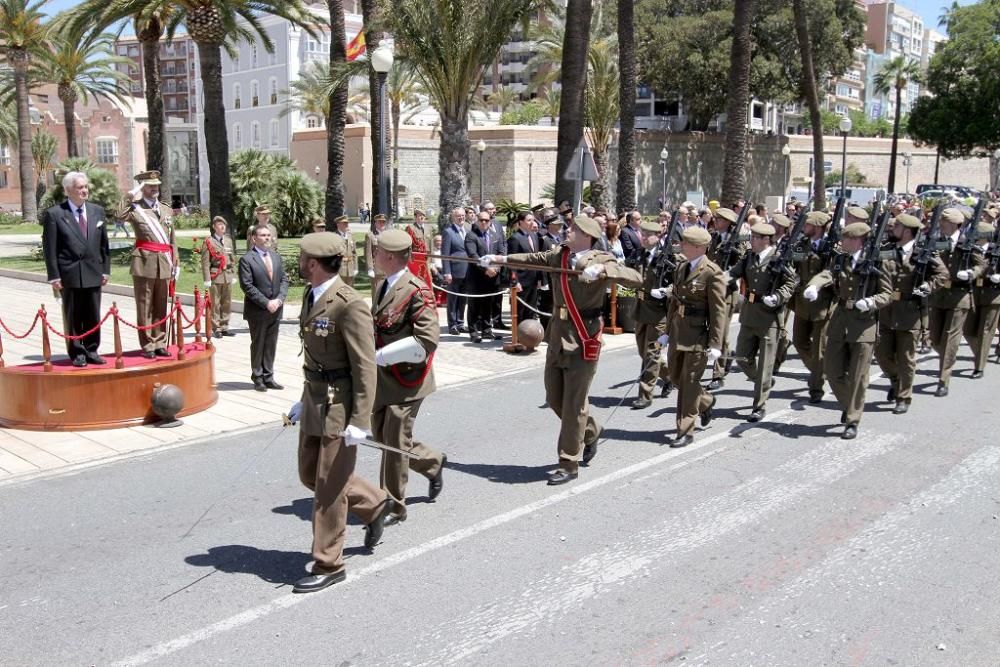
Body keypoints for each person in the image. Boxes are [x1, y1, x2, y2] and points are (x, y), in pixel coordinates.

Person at [483, 215, 642, 485]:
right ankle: (590, 431)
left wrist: (604, 272)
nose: (568, 230)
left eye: (574, 228)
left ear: (587, 235)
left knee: (573, 404)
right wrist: (499, 260)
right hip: (558, 334)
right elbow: (532, 258)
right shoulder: (560, 254)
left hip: (583, 336)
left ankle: (568, 462)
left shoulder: (601, 258)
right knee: (555, 398)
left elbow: (636, 278)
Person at [290, 231, 391, 594]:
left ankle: (329, 562)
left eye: (302, 259)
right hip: (315, 399)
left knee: (329, 490)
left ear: (313, 264)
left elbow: (365, 367)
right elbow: (315, 358)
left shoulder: (349, 304)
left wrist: (361, 421)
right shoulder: (311, 294)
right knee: (309, 474)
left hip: (339, 407)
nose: (300, 263)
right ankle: (375, 503)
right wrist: (303, 399)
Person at [371, 228, 446, 525]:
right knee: (383, 436)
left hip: (407, 379)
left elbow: (427, 340)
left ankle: (392, 504)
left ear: (389, 256)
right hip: (384, 377)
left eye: (377, 251)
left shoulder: (417, 290)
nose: (374, 255)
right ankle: (432, 462)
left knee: (393, 442)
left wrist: (381, 356)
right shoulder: (383, 285)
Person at [803, 222, 893, 439]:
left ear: (857, 241)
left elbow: (887, 294)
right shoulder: (841, 259)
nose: (841, 242)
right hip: (840, 319)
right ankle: (848, 404)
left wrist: (871, 302)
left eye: (845, 239)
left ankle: (852, 419)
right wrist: (814, 285)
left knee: (857, 375)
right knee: (832, 370)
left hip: (864, 324)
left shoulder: (879, 262)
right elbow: (828, 274)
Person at [875, 213, 948, 414]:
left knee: (906, 358)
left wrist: (925, 288)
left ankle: (903, 397)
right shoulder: (886, 249)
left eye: (896, 226)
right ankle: (897, 380)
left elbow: (942, 275)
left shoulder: (923, 252)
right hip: (887, 311)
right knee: (881, 353)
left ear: (907, 231)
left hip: (910, 313)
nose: (892, 229)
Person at [729, 222, 799, 422]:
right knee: (742, 356)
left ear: (766, 240)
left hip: (770, 318)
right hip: (750, 314)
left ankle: (759, 406)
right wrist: (723, 278)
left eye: (756, 237)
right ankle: (764, 381)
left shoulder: (779, 258)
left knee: (765, 364)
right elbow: (734, 272)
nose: (752, 240)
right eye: (752, 236)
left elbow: (792, 282)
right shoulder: (749, 257)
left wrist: (778, 296)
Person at [664, 226, 727, 447]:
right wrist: (666, 332)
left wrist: (716, 344)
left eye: (687, 243)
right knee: (674, 377)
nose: (682, 246)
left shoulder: (712, 272)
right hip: (678, 332)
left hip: (698, 335)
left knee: (689, 383)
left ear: (699, 247)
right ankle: (706, 402)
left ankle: (685, 431)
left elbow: (719, 311)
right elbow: (675, 300)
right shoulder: (681, 266)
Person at [42, 171, 111, 367]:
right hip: (69, 273)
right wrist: (54, 276)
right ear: (68, 190)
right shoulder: (55, 214)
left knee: (93, 313)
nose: (84, 190)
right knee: (73, 315)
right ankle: (77, 352)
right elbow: (50, 248)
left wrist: (105, 270)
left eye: (85, 187)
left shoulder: (97, 211)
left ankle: (92, 349)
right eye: (80, 187)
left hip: (93, 271)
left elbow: (104, 245)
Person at [117, 170, 177, 359]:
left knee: (161, 305)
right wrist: (130, 195)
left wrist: (176, 261)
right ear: (142, 187)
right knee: (145, 305)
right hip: (144, 262)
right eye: (149, 185)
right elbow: (119, 215)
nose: (154, 188)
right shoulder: (135, 208)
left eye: (156, 185)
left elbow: (171, 238)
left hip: (164, 262)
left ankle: (160, 341)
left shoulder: (166, 209)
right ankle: (148, 344)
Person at [928, 207, 987, 396]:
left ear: (954, 224)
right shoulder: (937, 242)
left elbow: (981, 264)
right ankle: (947, 360)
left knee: (950, 338)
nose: (941, 225)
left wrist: (971, 273)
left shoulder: (966, 243)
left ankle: (943, 380)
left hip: (959, 296)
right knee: (935, 339)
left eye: (944, 222)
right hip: (939, 295)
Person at [792, 211, 835, 403]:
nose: (804, 227)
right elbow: (792, 266)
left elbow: (831, 272)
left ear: (817, 227)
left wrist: (816, 285)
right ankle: (821, 371)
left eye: (808, 225)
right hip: (802, 302)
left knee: (819, 349)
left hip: (822, 305)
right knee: (799, 342)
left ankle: (816, 387)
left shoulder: (832, 248)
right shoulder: (802, 244)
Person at [239, 225, 289, 391]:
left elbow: (284, 280)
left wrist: (279, 300)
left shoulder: (276, 257)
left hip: (276, 309)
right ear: (254, 238)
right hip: (258, 311)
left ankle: (269, 376)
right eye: (263, 235)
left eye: (268, 235)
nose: (267, 238)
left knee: (271, 344)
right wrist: (266, 303)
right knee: (259, 343)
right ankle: (258, 377)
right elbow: (247, 286)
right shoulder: (247, 259)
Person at [631, 220, 675, 409]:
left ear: (658, 237)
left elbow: (678, 283)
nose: (643, 236)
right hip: (641, 309)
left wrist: (666, 291)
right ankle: (670, 376)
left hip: (659, 314)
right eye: (642, 232)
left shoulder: (668, 257)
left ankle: (645, 394)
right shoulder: (639, 254)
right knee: (644, 352)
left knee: (652, 353)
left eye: (648, 234)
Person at [705, 207, 748, 390]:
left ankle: (718, 374)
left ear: (729, 223)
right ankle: (727, 354)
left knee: (719, 332)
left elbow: (742, 263)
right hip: (711, 289)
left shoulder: (737, 241)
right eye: (716, 218)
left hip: (727, 291)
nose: (716, 221)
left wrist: (734, 249)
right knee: (715, 330)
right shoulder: (713, 238)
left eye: (720, 219)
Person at [961, 218, 1000, 379]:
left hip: (993, 294)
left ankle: (979, 367)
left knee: (985, 331)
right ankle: (980, 354)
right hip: (974, 292)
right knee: (968, 330)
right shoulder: (971, 251)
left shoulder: (996, 250)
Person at [465, 211, 506, 342]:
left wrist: (497, 268)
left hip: (493, 277)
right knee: (474, 306)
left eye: (486, 220)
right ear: (477, 220)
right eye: (481, 220)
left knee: (488, 304)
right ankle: (473, 332)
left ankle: (487, 330)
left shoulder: (496, 235)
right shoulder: (471, 236)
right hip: (477, 277)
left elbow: (502, 252)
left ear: (490, 221)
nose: (484, 222)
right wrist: (486, 268)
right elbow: (473, 255)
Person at [201, 216, 237, 338]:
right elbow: (205, 262)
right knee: (215, 303)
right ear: (214, 227)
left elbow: (232, 259)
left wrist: (233, 273)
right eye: (219, 225)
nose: (222, 227)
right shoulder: (209, 242)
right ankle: (216, 328)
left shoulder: (228, 241)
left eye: (224, 225)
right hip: (215, 276)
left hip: (227, 275)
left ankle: (225, 326)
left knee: (226, 302)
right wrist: (207, 279)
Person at [507, 210, 544, 322]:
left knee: (531, 309)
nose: (532, 223)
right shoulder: (515, 238)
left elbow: (536, 258)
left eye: (533, 220)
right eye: (529, 220)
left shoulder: (534, 236)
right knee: (520, 309)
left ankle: (527, 334)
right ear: (521, 222)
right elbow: (511, 261)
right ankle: (517, 334)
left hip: (533, 279)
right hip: (521, 280)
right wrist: (515, 281)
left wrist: (539, 278)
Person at [441, 207, 470, 335]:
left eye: (463, 215)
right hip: (454, 271)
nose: (461, 218)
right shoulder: (448, 232)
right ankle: (452, 324)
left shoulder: (468, 230)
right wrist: (447, 272)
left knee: (463, 299)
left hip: (467, 271)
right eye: (458, 216)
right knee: (453, 299)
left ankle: (460, 322)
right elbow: (445, 254)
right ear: (453, 217)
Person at [406, 209, 434, 290]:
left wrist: (432, 260)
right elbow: (409, 245)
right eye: (419, 215)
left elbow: (431, 244)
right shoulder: (411, 228)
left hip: (427, 258)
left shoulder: (429, 228)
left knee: (428, 278)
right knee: (416, 278)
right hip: (416, 258)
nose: (422, 217)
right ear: (415, 217)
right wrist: (409, 259)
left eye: (423, 215)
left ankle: (428, 297)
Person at [365, 213, 388, 300]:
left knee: (386, 292)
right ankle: (374, 312)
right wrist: (370, 268)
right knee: (376, 293)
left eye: (383, 222)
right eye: (380, 222)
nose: (382, 224)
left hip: (387, 268)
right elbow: (368, 253)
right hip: (376, 268)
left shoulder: (387, 235)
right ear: (375, 223)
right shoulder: (370, 235)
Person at [332, 215, 357, 286]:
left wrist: (356, 268)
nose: (347, 225)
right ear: (338, 224)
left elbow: (354, 253)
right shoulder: (334, 236)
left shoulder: (350, 235)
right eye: (344, 223)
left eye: (347, 223)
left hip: (350, 268)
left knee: (350, 290)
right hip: (340, 268)